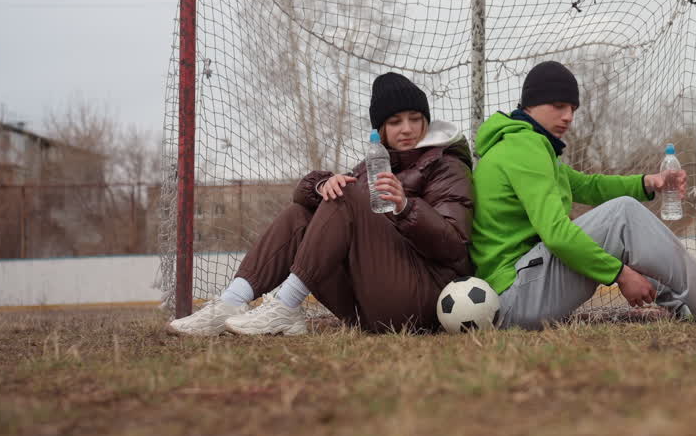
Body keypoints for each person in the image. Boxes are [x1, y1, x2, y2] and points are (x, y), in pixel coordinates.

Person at [469, 60, 696, 330]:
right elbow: (556, 235)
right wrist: (620, 274)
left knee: (621, 220)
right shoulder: (525, 148)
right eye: (559, 106)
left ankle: (686, 305)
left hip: (518, 292)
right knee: (623, 216)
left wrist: (648, 182)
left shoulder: (523, 146)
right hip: (516, 297)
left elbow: (589, 187)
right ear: (530, 105)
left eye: (573, 109)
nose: (568, 117)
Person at [168, 72, 474, 336]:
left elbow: (454, 246)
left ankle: (286, 304)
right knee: (305, 210)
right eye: (395, 121)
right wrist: (321, 185)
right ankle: (232, 300)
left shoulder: (446, 166)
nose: (406, 128)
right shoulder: (373, 165)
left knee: (348, 193)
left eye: (415, 119)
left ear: (426, 121)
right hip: (369, 303)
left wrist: (406, 207)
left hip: (420, 298)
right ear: (380, 130)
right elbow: (303, 196)